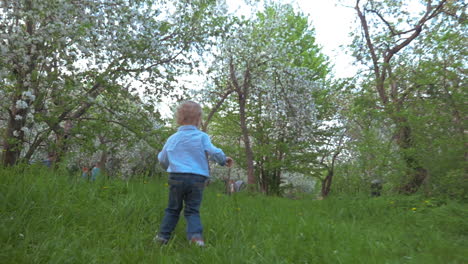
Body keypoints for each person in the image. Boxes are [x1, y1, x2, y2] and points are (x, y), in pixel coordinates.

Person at [154, 101, 234, 247]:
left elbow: (162, 159)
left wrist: (169, 166)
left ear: (179, 118)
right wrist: (223, 159)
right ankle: (196, 238)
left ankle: (163, 237)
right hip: (197, 178)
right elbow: (213, 151)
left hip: (176, 177)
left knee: (172, 209)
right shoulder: (202, 137)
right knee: (192, 210)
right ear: (199, 119)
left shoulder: (172, 138)